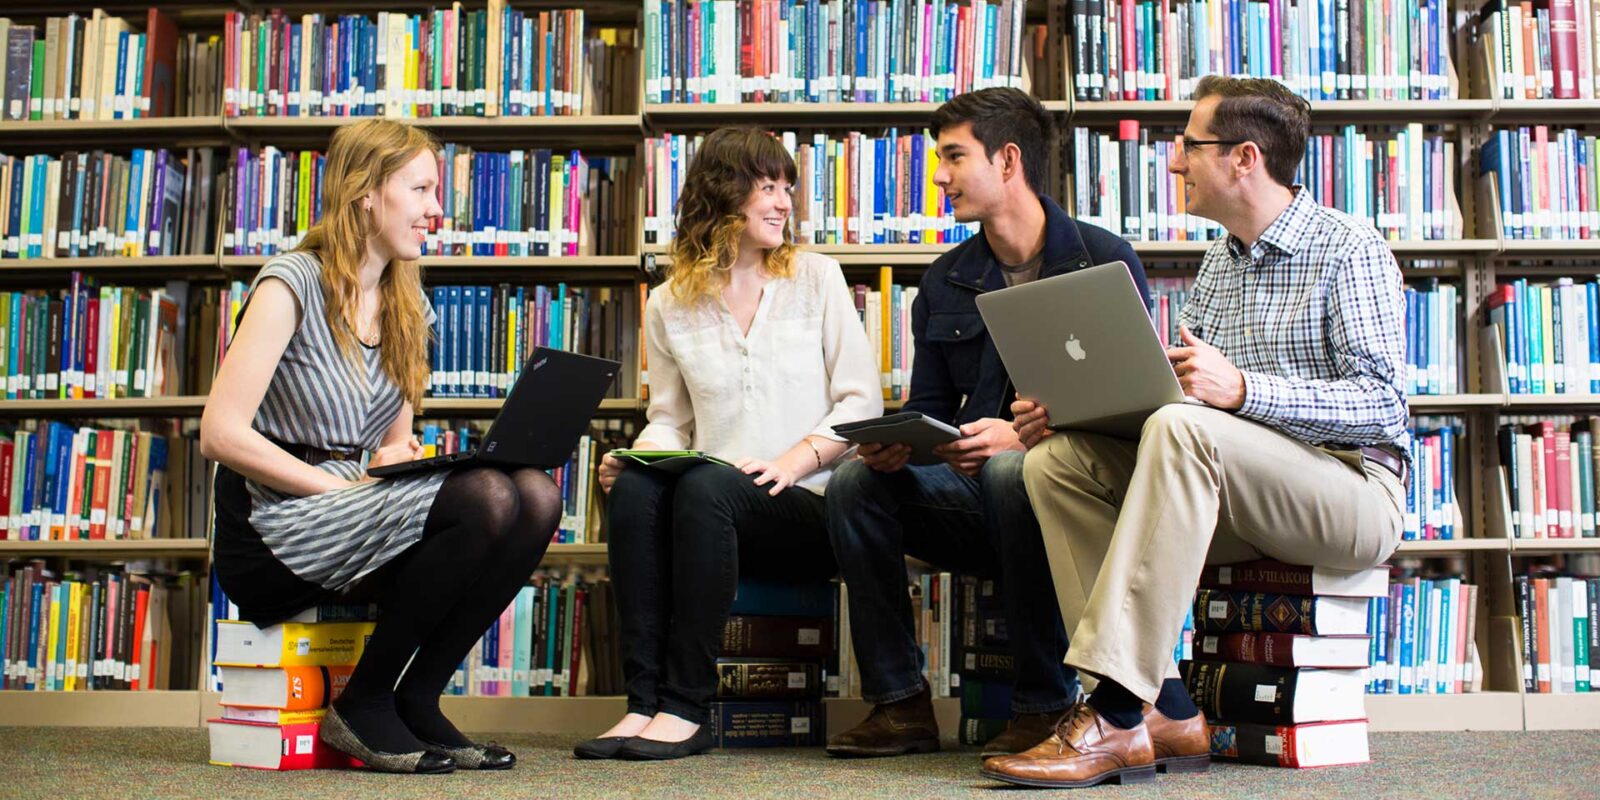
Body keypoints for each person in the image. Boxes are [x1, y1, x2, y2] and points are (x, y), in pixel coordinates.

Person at [984, 76, 1409, 789]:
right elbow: (1180, 407)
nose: (1174, 162)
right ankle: (1168, 709)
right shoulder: (1218, 261)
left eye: (1188, 146)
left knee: (1187, 429)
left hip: (1352, 494)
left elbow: (1383, 405)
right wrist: (1075, 409)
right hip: (1233, 493)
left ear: (1245, 158)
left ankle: (1115, 713)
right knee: (1055, 462)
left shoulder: (1349, 247)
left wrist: (1244, 390)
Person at [201, 119, 564, 774]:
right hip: (273, 524)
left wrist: (402, 467)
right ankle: (364, 702)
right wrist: (343, 489)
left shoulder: (404, 301)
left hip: (353, 505)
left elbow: (391, 446)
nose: (435, 210)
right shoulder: (292, 283)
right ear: (367, 192)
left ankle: (418, 697)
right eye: (421, 189)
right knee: (483, 497)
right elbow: (220, 433)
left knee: (535, 495)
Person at [824, 87, 1149, 760]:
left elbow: (1137, 411)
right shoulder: (946, 280)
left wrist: (1033, 436)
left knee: (1013, 467)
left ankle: (1043, 705)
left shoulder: (1102, 260)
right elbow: (934, 411)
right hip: (973, 497)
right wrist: (903, 447)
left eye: (952, 157)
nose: (939, 177)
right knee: (854, 487)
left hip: (1071, 501)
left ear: (1007, 160)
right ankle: (900, 703)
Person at [573, 127, 882, 761]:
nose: (783, 202)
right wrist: (638, 455)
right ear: (724, 194)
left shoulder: (817, 279)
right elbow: (670, 421)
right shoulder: (668, 303)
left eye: (787, 188)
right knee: (635, 484)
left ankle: (687, 707)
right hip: (708, 508)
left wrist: (790, 464)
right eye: (766, 187)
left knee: (708, 482)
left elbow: (861, 403)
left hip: (807, 503)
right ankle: (642, 703)